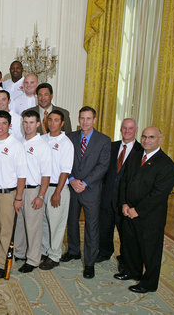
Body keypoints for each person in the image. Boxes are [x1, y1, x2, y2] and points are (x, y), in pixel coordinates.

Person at [114, 127, 174, 293]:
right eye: (144, 136)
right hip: (129, 211)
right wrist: (124, 204)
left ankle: (149, 283)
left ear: (159, 140)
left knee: (150, 250)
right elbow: (124, 182)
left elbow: (159, 194)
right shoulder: (135, 157)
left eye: (151, 137)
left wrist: (138, 210)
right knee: (130, 245)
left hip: (149, 217)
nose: (147, 140)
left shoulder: (166, 164)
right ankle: (132, 271)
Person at [62, 106, 110, 279]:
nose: (85, 122)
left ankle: (89, 263)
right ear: (78, 119)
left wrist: (85, 182)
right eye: (82, 118)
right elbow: (65, 161)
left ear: (94, 120)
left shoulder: (103, 140)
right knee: (72, 222)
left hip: (91, 189)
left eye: (88, 118)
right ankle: (74, 251)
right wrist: (72, 179)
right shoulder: (70, 137)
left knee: (91, 226)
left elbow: (103, 166)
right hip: (72, 186)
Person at [97, 118, 142, 270]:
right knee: (105, 227)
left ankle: (124, 258)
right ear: (121, 129)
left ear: (135, 130)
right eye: (124, 128)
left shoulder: (141, 151)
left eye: (130, 128)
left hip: (126, 200)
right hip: (107, 195)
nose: (127, 131)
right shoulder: (111, 146)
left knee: (125, 231)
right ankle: (104, 252)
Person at [0, 110, 27, 278]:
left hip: (7, 194)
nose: (0, 126)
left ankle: (3, 264)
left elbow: (22, 175)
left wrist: (18, 197)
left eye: (4, 123)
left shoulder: (15, 145)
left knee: (5, 231)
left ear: (10, 125)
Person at [14, 110, 51, 273]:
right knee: (19, 225)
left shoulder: (42, 146)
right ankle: (20, 253)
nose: (28, 126)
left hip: (33, 190)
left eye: (31, 122)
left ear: (37, 124)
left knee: (33, 227)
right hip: (18, 190)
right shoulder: (18, 142)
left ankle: (33, 260)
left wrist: (40, 196)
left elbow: (46, 174)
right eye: (25, 122)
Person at [39, 110, 74, 270]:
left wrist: (57, 192)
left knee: (56, 224)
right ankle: (46, 250)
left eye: (56, 120)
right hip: (43, 187)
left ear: (62, 123)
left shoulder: (66, 142)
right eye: (50, 120)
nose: (52, 123)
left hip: (56, 188)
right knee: (45, 222)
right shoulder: (42, 139)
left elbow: (65, 171)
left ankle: (54, 255)